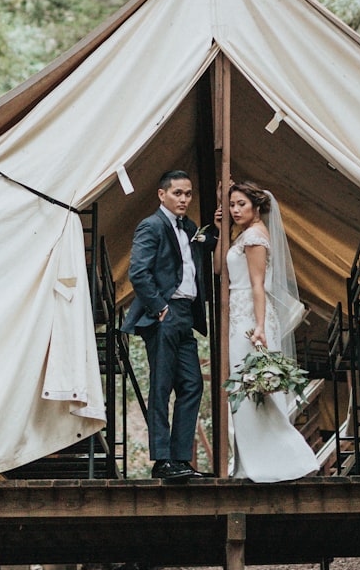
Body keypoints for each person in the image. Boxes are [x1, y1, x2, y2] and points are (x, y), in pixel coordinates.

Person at [219, 181, 319, 483]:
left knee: (252, 387)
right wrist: (220, 229)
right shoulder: (243, 234)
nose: (235, 210)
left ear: (256, 206)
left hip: (249, 318)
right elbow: (218, 269)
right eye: (232, 204)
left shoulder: (253, 236)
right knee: (245, 389)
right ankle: (251, 461)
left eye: (241, 205)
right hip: (240, 315)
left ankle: (282, 459)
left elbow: (258, 286)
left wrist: (260, 327)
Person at [121, 170, 215, 483]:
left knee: (192, 385)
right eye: (177, 193)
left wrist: (214, 228)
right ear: (162, 195)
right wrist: (160, 307)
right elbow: (138, 272)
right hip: (163, 313)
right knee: (161, 387)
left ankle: (179, 459)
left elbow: (200, 251)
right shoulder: (151, 225)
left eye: (188, 194)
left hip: (186, 314)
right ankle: (162, 461)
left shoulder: (189, 227)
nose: (184, 199)